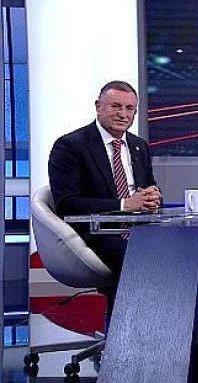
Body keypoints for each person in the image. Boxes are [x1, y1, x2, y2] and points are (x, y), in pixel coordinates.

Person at [48, 81, 162, 275]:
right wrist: (125, 205)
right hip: (98, 234)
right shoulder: (70, 146)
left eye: (129, 108)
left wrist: (153, 197)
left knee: (183, 249)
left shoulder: (139, 146)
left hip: (140, 230)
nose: (123, 114)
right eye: (116, 106)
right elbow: (67, 204)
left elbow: (150, 187)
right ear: (98, 106)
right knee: (146, 257)